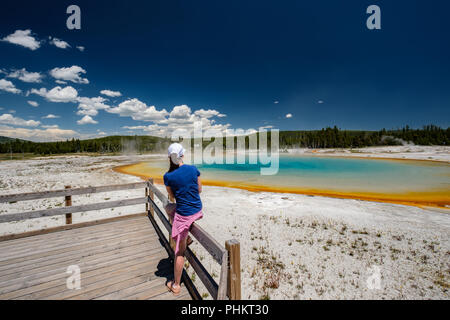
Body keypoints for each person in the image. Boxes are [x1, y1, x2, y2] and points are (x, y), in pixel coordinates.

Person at [163, 142, 203, 295]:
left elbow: (172, 197)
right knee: (169, 209)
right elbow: (199, 189)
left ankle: (176, 285)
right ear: (182, 155)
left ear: (169, 158)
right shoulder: (193, 169)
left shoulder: (168, 176)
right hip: (197, 210)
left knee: (179, 252)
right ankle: (186, 239)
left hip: (184, 214)